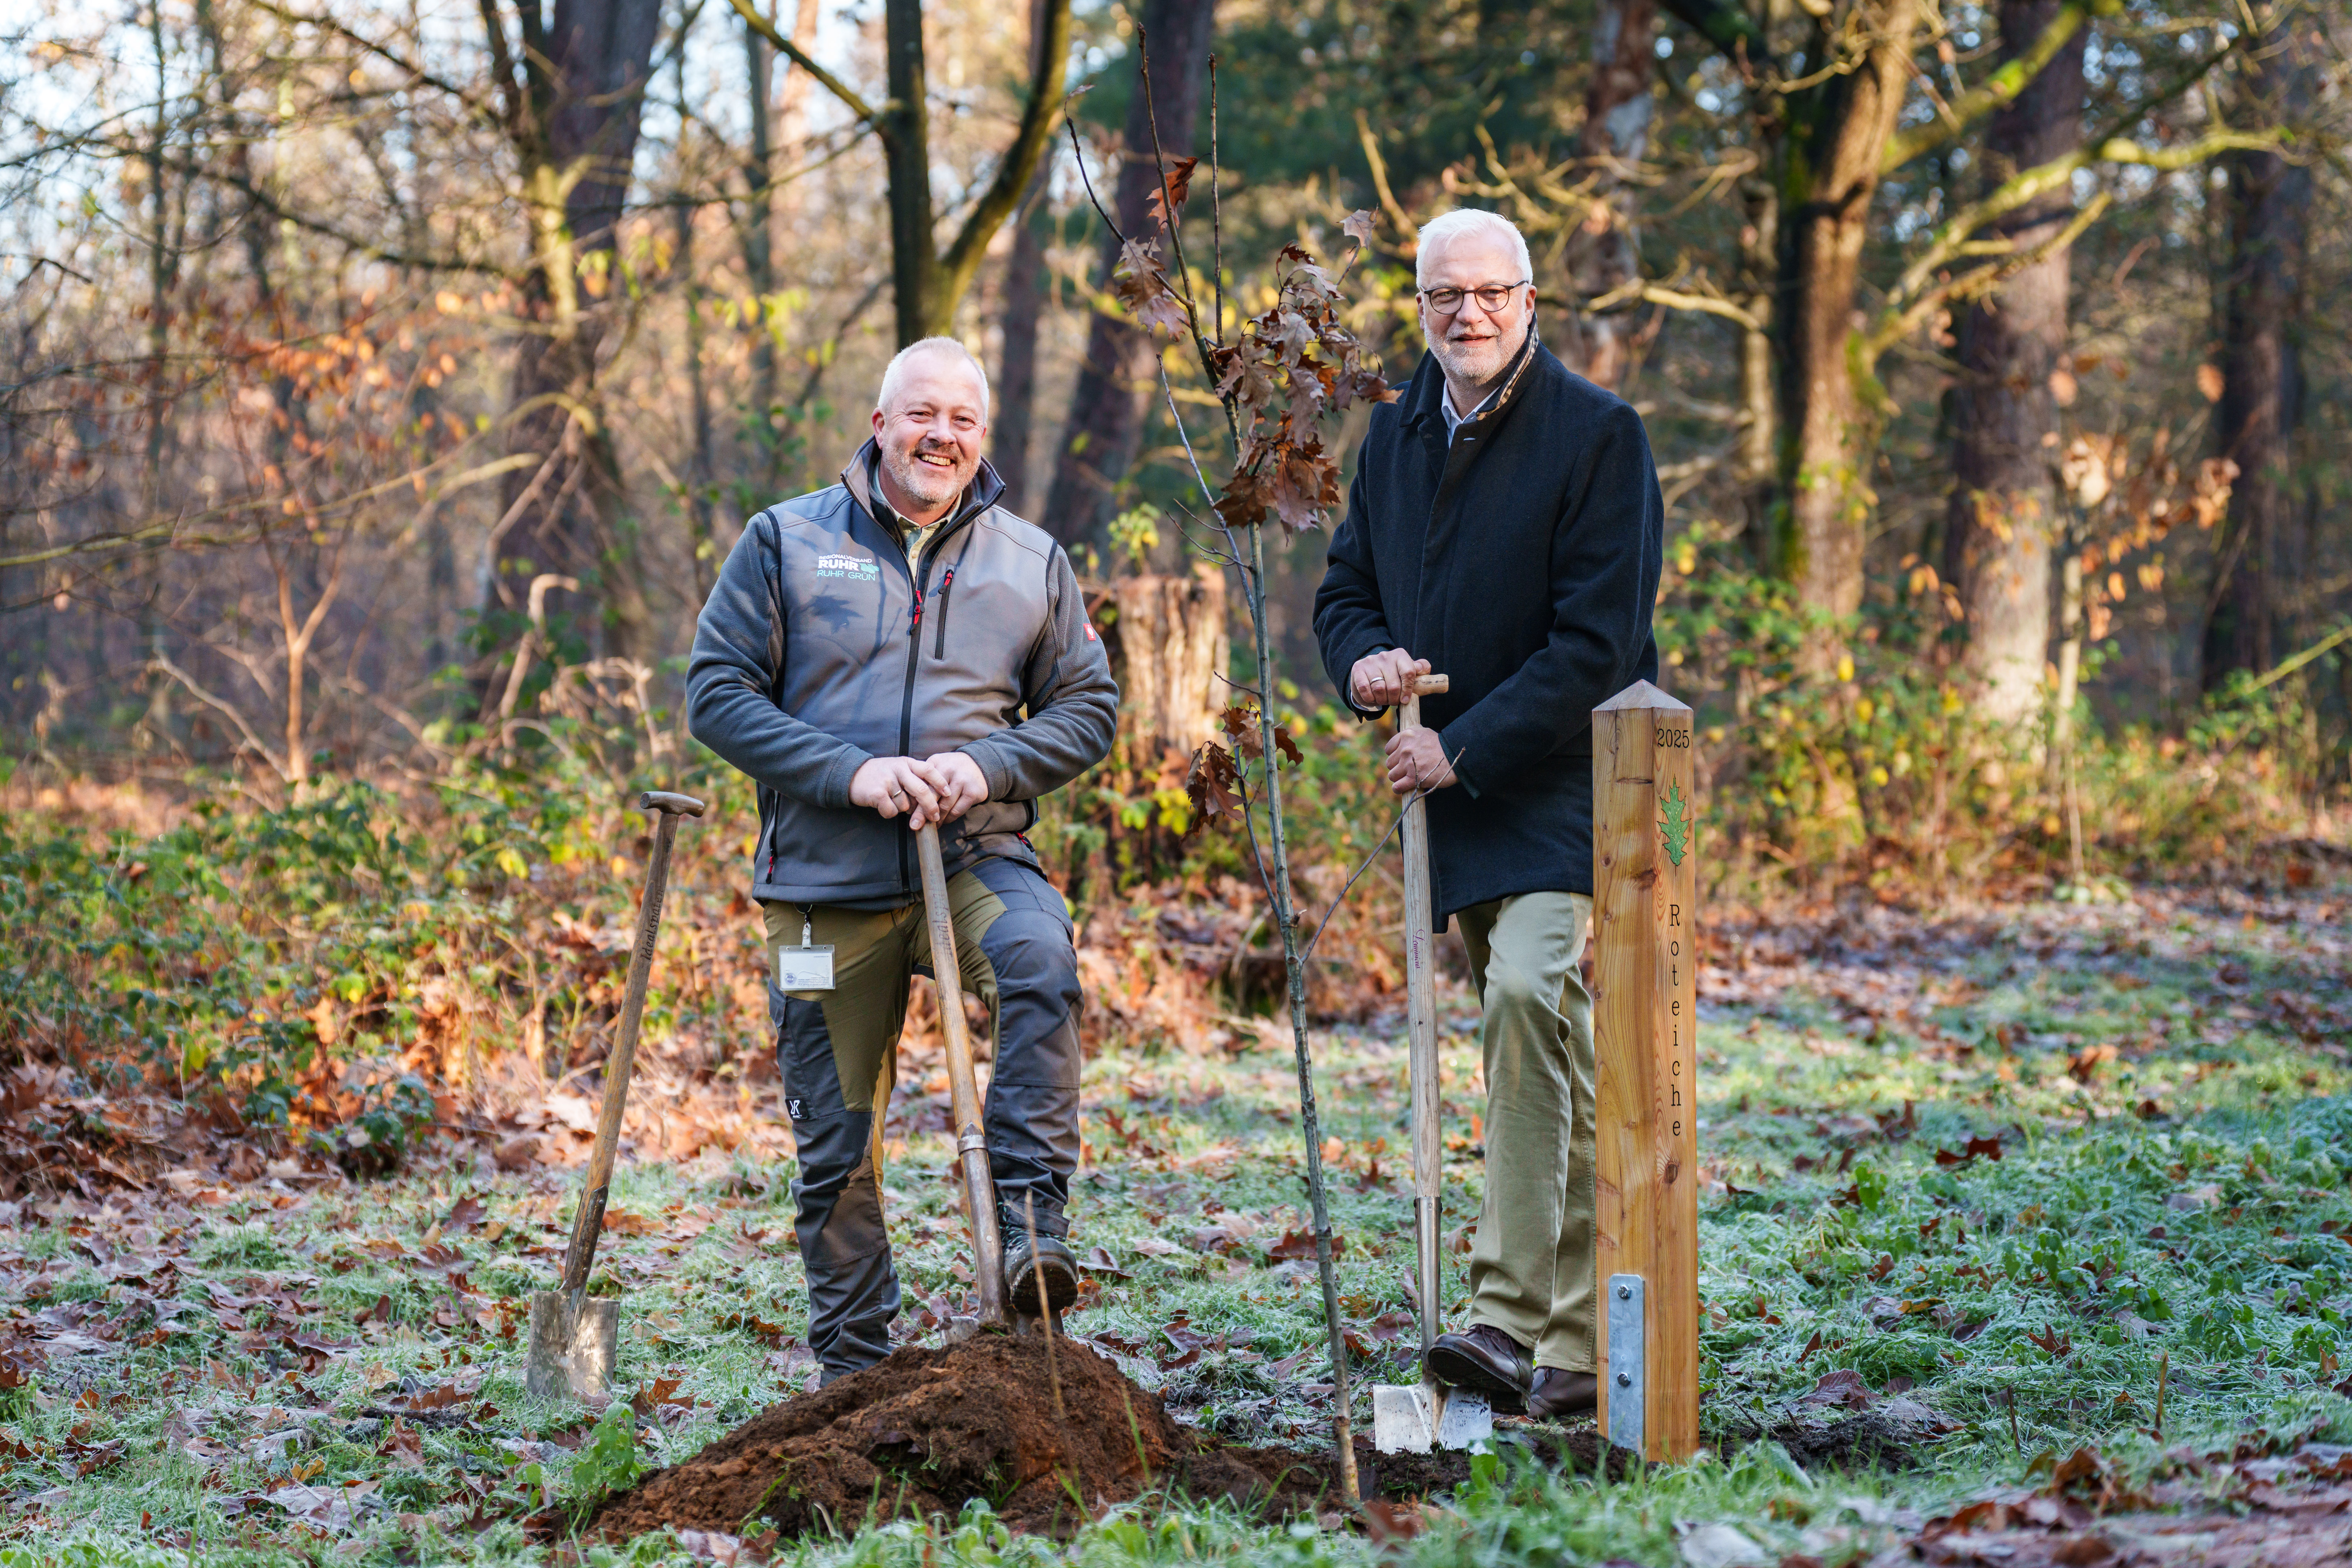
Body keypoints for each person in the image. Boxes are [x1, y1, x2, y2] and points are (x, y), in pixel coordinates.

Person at [687, 337, 1118, 1384]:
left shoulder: (1029, 559)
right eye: (921, 414)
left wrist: (986, 764)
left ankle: (1029, 1236)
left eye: (962, 420)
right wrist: (851, 773)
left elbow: (1088, 707)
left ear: (983, 438)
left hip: (974, 853)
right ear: (879, 425)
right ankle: (852, 1371)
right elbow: (717, 693)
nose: (941, 435)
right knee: (836, 1141)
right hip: (823, 883)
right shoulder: (785, 540)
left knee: (1038, 964)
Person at [1313, 209, 1663, 1419]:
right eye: (1441, 297)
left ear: (1529, 301)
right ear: (1417, 308)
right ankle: (1566, 1353)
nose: (1467, 316)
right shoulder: (1396, 434)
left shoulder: (1596, 434)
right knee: (1542, 1049)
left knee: (1528, 999)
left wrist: (1457, 748)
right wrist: (1360, 664)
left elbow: (1598, 646)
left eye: (1490, 294)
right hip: (1453, 806)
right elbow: (1347, 589)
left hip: (1572, 786)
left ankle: (1513, 1319)